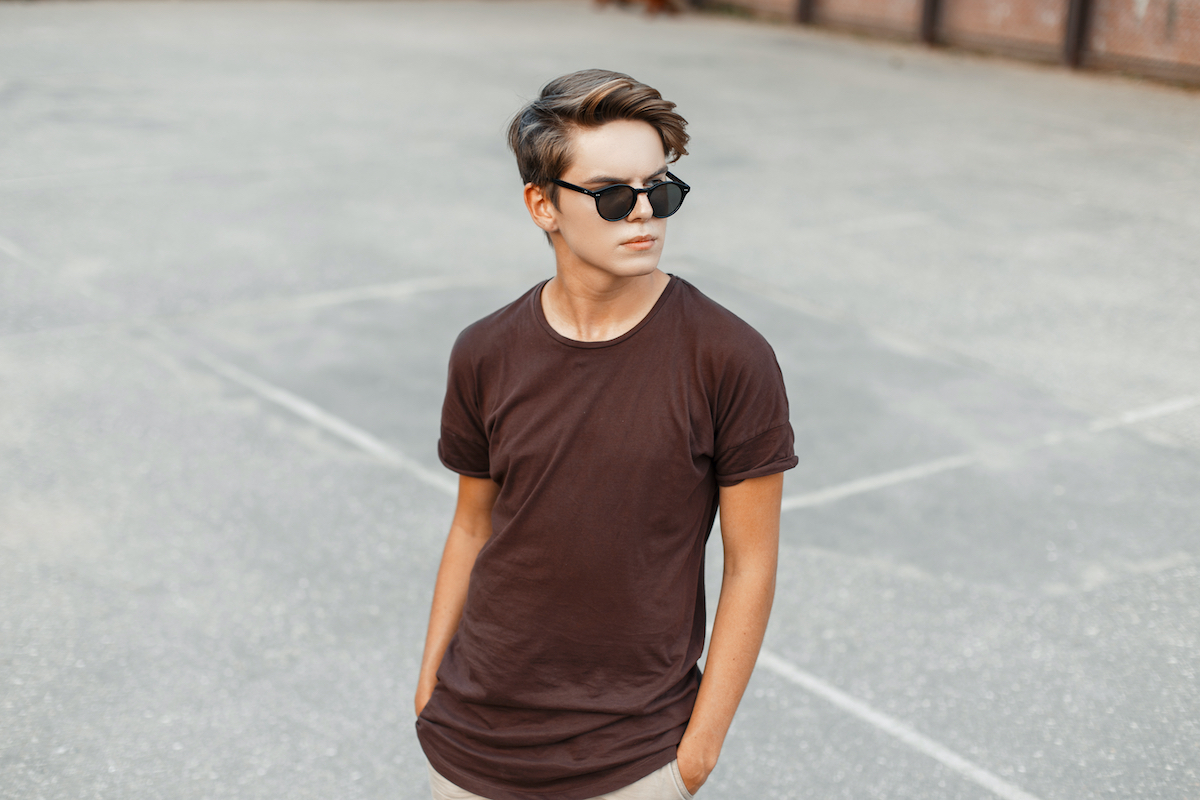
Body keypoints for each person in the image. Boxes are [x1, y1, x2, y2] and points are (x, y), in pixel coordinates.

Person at [414, 69, 797, 800]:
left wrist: (698, 752)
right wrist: (430, 684)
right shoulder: (485, 351)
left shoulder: (729, 358)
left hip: (634, 757)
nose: (645, 214)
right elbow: (472, 526)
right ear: (542, 206)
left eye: (662, 189)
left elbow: (752, 564)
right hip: (470, 740)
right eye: (614, 195)